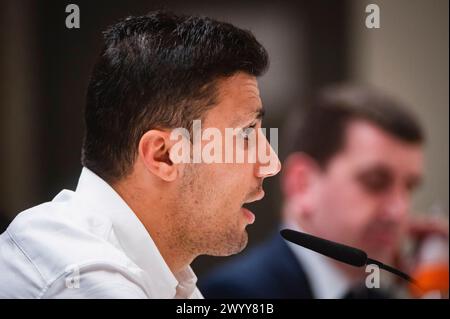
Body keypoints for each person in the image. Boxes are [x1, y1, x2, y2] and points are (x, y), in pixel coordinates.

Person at [0, 11, 280, 298]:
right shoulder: (88, 283)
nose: (272, 163)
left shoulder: (164, 277)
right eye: (246, 133)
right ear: (164, 155)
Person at [200, 84, 429, 299]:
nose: (399, 211)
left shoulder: (383, 294)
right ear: (303, 184)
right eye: (375, 182)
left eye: (409, 187)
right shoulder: (235, 295)